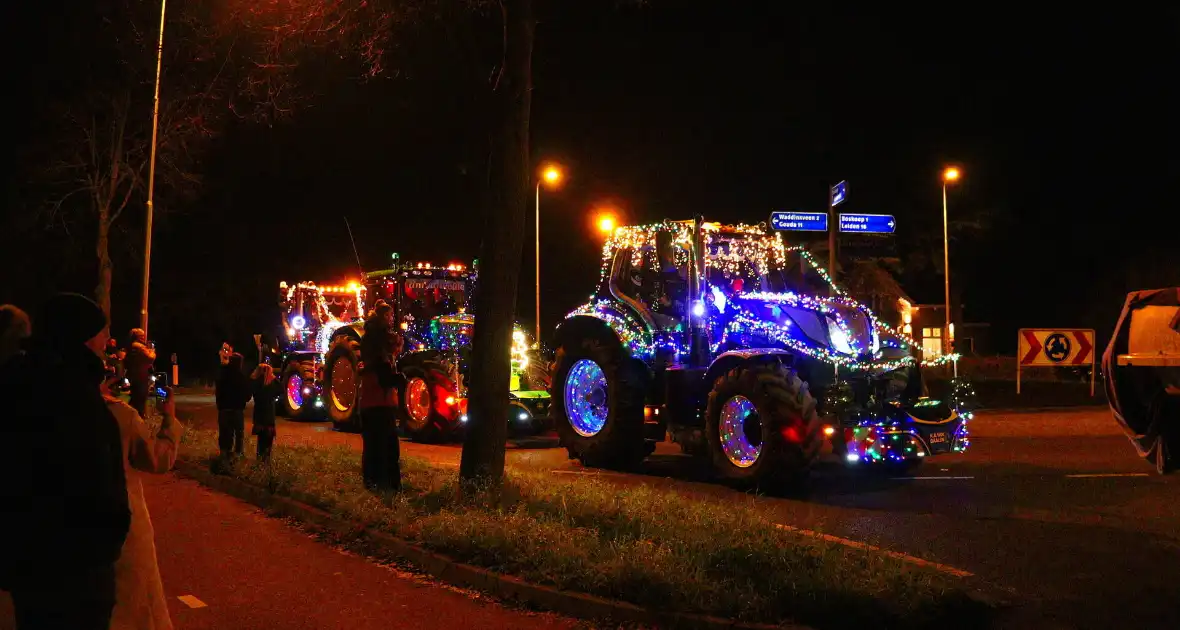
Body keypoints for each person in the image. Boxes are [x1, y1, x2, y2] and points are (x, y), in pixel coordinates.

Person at [1, 293, 130, 629]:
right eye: (102, 332)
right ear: (81, 336)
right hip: (74, 569)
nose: (108, 341)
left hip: (33, 564)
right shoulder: (71, 394)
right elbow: (91, 477)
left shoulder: (24, 381)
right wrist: (106, 544)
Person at [101, 372, 184, 630]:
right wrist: (169, 418)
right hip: (122, 529)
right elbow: (157, 459)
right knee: (137, 607)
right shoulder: (119, 416)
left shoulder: (36, 407)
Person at [358, 302, 405, 491]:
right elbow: (385, 380)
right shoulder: (381, 360)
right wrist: (400, 380)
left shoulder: (372, 351)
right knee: (387, 448)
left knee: (373, 446)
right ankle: (387, 485)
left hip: (372, 404)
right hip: (380, 405)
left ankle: (374, 483)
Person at [215, 352, 252, 466]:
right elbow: (247, 395)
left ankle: (224, 453)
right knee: (238, 433)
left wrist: (220, 405)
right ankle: (237, 454)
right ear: (240, 363)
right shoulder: (242, 377)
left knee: (225, 432)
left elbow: (218, 392)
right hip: (237, 409)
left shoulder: (223, 375)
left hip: (224, 409)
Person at [249, 363, 283, 462]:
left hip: (259, 413)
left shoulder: (255, 382)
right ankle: (266, 460)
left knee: (261, 439)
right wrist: (273, 377)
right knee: (268, 439)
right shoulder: (272, 383)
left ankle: (259, 459)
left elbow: (251, 388)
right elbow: (281, 390)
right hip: (269, 414)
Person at [124, 328, 157, 416]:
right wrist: (152, 351)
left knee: (136, 396)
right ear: (136, 337)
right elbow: (150, 357)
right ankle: (138, 416)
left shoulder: (132, 346)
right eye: (141, 336)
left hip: (136, 374)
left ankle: (131, 414)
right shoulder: (138, 346)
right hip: (140, 374)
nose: (143, 338)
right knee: (140, 397)